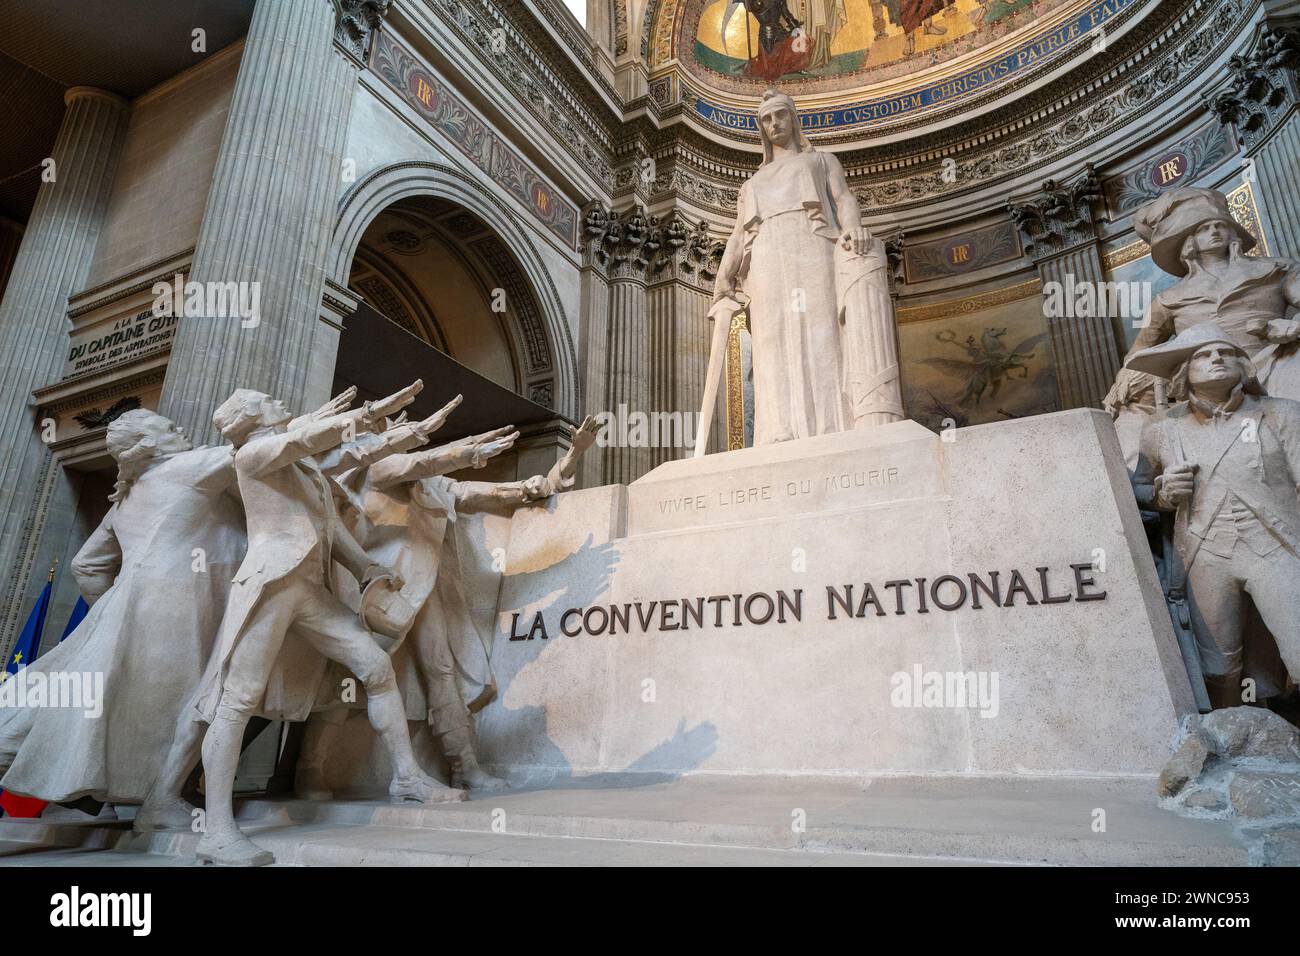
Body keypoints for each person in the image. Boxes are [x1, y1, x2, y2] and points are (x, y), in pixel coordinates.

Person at [193, 383, 462, 866]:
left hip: (310, 590)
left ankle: (407, 777)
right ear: (252, 418)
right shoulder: (253, 455)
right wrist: (366, 415)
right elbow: (297, 440)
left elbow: (329, 528)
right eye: (268, 400)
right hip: (270, 586)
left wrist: (364, 568)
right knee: (238, 699)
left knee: (376, 666)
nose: (280, 401)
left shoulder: (305, 470)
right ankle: (215, 830)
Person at [294, 416, 601, 797]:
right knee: (348, 677)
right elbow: (422, 463)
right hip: (375, 592)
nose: (403, 440)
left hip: (424, 593)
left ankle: (464, 767)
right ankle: (309, 767)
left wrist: (570, 459)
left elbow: (496, 493)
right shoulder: (377, 469)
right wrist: (469, 450)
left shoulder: (433, 487)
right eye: (396, 434)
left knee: (441, 671)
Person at [0, 411, 243, 808]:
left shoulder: (125, 500)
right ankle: (162, 796)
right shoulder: (188, 466)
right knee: (180, 704)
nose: (181, 427)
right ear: (149, 445)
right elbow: (258, 453)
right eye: (170, 426)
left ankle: (127, 791)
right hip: (180, 608)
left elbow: (86, 565)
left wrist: (113, 610)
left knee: (55, 701)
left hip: (123, 606)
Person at [712, 89, 900, 444]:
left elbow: (843, 199)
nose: (773, 124)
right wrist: (723, 276)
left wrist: (852, 228)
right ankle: (778, 428)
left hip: (813, 245)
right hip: (766, 257)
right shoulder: (752, 184)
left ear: (793, 119)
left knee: (821, 331)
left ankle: (832, 423)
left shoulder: (822, 161)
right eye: (766, 120)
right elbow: (739, 235)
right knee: (771, 340)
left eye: (780, 115)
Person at [1130, 323, 1300, 709]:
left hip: (1278, 547)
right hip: (1204, 553)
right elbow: (1137, 491)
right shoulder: (1161, 430)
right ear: (1184, 372)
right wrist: (1162, 494)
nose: (1216, 359)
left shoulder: (1281, 414)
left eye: (1226, 353)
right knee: (1220, 666)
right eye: (1203, 356)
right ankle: (1230, 739)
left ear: (1244, 367)